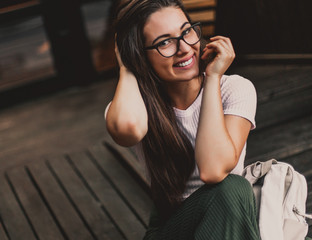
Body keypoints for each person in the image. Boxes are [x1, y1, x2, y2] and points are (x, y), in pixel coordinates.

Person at [105, 0, 260, 239]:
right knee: (233, 189)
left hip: (228, 216)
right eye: (164, 42)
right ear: (139, 54)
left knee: (232, 189)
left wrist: (213, 79)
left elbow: (213, 169)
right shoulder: (133, 105)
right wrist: (126, 67)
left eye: (186, 31)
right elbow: (128, 129)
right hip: (173, 227)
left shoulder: (235, 89)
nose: (185, 48)